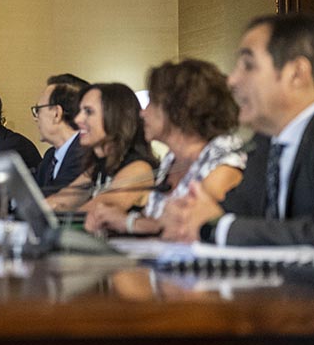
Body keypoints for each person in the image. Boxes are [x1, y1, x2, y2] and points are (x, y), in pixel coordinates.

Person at [161, 14, 314, 246]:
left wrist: (218, 228)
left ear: (297, 73)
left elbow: (221, 224)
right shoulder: (265, 143)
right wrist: (187, 214)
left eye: (248, 65)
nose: (232, 80)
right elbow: (234, 210)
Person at [85, 60, 245, 236]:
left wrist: (129, 222)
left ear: (177, 108)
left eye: (152, 102)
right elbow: (156, 221)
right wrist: (112, 221)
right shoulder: (171, 159)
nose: (143, 113)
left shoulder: (225, 158)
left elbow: (188, 224)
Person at [45, 83, 158, 213]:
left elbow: (96, 213)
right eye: (80, 111)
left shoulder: (138, 169)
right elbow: (61, 201)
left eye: (88, 112)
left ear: (115, 117)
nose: (77, 119)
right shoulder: (98, 166)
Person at [31, 74, 90, 194]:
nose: (35, 118)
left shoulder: (85, 155)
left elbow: (54, 201)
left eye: (38, 110)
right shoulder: (50, 157)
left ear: (57, 113)